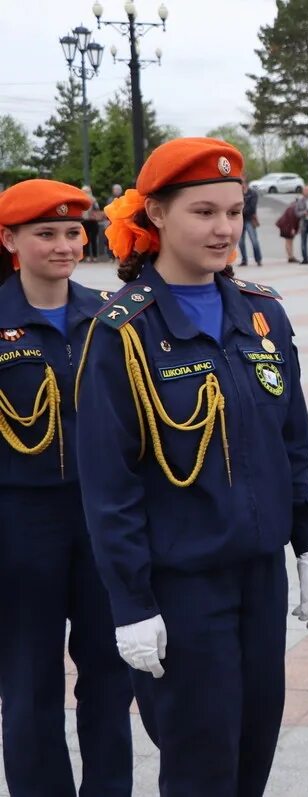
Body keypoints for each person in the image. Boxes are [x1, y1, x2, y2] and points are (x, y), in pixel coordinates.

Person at [77, 137, 308, 795]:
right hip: (182, 586)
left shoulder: (260, 312)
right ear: (156, 214)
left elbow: (291, 440)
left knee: (253, 750)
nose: (224, 229)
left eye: (234, 210)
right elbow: (111, 485)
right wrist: (130, 603)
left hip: (259, 577)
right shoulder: (122, 332)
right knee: (200, 763)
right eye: (203, 212)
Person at [0, 180, 134, 796]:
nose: (63, 245)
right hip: (18, 523)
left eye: (73, 232)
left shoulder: (110, 316)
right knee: (29, 680)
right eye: (45, 233)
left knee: (110, 674)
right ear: (10, 240)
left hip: (101, 518)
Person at [239, 178, 263, 267]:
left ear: (246, 184)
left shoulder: (253, 194)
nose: (242, 186)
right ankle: (244, 260)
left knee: (254, 240)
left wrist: (241, 211)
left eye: (243, 183)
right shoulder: (238, 194)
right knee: (241, 242)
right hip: (240, 220)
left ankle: (258, 259)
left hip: (249, 219)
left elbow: (252, 208)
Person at [275, 196, 300, 263]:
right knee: (289, 241)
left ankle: (291, 256)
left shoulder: (292, 206)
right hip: (286, 226)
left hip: (285, 225)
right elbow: (291, 219)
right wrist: (292, 228)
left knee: (289, 241)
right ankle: (290, 257)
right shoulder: (294, 208)